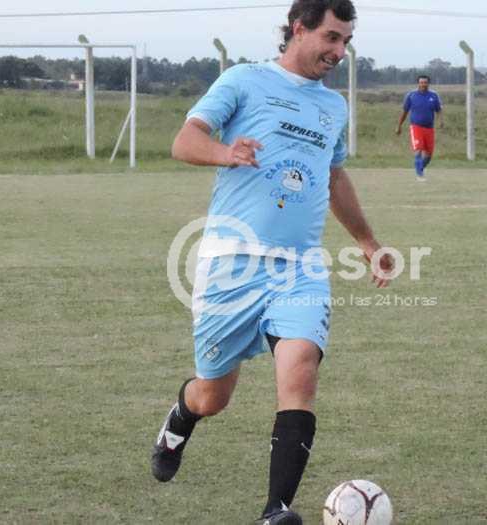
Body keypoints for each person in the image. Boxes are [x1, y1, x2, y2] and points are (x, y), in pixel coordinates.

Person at [151, 1, 394, 524]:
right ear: (299, 29)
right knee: (214, 396)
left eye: (346, 41)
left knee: (301, 368)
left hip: (300, 266)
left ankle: (275, 510)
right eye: (331, 37)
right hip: (231, 262)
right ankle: (182, 416)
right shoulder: (244, 80)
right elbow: (184, 141)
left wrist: (368, 242)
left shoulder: (333, 107)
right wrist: (226, 153)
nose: (339, 51)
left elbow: (333, 176)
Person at [395, 75, 443, 181]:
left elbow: (438, 110)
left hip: (429, 128)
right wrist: (399, 125)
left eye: (425, 82)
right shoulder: (411, 95)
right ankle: (419, 175)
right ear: (418, 83)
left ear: (428, 83)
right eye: (421, 82)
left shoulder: (434, 95)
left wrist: (440, 121)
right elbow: (404, 112)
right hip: (416, 127)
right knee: (418, 150)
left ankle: (420, 169)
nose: (423, 84)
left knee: (429, 155)